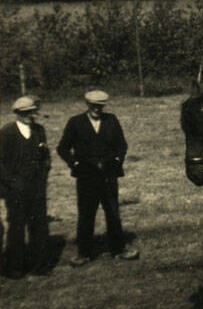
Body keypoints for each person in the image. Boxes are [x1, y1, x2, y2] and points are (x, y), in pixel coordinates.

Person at [57, 90, 139, 266]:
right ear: (87, 105)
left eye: (100, 106)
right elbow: (62, 148)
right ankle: (84, 253)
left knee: (113, 212)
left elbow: (122, 145)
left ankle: (119, 249)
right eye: (94, 106)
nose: (97, 109)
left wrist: (117, 160)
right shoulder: (75, 122)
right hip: (86, 176)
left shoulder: (111, 120)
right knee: (86, 214)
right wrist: (75, 164)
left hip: (108, 175)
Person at [0, 96, 51, 278]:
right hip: (15, 191)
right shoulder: (7, 132)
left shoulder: (39, 131)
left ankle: (40, 266)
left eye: (32, 112)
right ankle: (15, 268)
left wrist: (43, 179)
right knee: (17, 227)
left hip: (36, 189)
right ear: (17, 114)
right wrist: (11, 183)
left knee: (39, 226)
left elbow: (46, 157)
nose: (30, 116)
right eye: (25, 113)